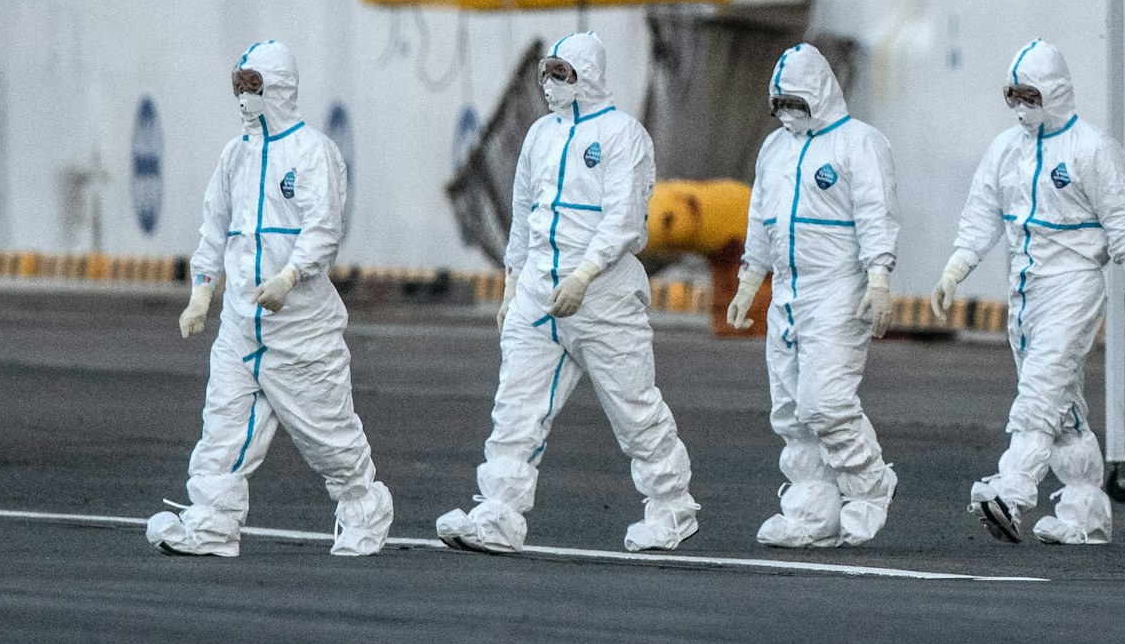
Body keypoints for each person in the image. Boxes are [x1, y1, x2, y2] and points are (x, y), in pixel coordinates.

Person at [434, 29, 700, 555]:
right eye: (547, 74)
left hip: (603, 299)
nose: (551, 85)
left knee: (634, 408)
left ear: (588, 77)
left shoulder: (624, 136)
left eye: (563, 74)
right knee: (515, 409)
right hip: (539, 295)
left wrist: (585, 274)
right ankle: (499, 514)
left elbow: (624, 217)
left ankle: (671, 508)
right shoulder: (540, 136)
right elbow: (525, 215)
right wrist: (513, 282)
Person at [148, 39, 393, 559]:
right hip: (240, 327)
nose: (243, 97)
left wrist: (289, 279)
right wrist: (201, 291)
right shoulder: (235, 154)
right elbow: (215, 226)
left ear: (278, 89)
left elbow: (323, 229)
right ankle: (212, 525)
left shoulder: (311, 153)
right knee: (222, 430)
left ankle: (363, 510)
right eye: (238, 86)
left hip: (301, 331)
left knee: (330, 439)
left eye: (253, 86)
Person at [938, 36, 1125, 544]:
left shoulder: (1091, 149)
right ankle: (1084, 512)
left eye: (1030, 97)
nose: (1020, 108)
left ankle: (1011, 492)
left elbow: (1120, 218)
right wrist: (956, 268)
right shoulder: (1006, 150)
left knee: (1039, 395)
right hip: (1025, 290)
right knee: (1064, 410)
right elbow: (981, 214)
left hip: (1074, 285)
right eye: (1013, 97)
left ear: (1054, 93)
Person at [723, 43, 901, 548]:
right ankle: (811, 510)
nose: (787, 114)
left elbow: (875, 212)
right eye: (779, 104)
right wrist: (749, 281)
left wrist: (879, 277)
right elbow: (761, 217)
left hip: (838, 289)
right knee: (790, 411)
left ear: (819, 95)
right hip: (788, 293)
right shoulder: (774, 149)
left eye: (796, 103)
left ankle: (869, 486)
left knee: (825, 402)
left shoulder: (859, 143)